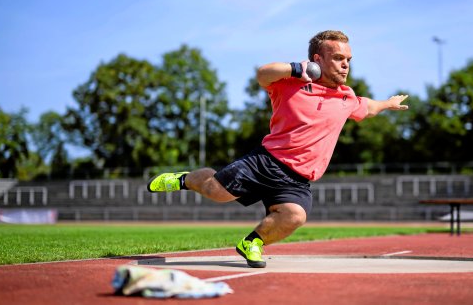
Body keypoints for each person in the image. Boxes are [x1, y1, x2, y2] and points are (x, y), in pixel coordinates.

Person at [147, 30, 408, 268]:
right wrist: (296, 69)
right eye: (339, 57)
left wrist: (388, 103)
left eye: (349, 59)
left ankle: (252, 243)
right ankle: (184, 179)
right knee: (215, 191)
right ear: (318, 59)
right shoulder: (289, 83)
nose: (346, 64)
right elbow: (263, 74)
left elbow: (369, 107)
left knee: (294, 215)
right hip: (267, 162)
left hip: (298, 178)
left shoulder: (346, 97)